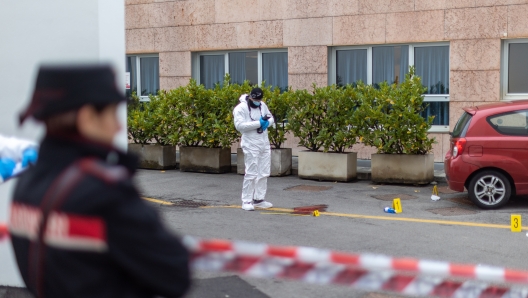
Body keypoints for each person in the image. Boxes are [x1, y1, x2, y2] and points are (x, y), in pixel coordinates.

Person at [9, 65, 191, 298]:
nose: (117, 126)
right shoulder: (105, 192)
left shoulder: (25, 183)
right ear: (87, 118)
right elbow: (174, 274)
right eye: (113, 113)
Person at [233, 88, 275, 211]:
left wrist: (268, 123)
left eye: (259, 100)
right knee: (251, 172)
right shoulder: (240, 108)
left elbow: (270, 117)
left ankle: (259, 199)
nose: (257, 102)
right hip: (250, 144)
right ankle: (246, 200)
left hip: (264, 142)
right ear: (250, 97)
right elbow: (239, 126)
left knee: (264, 171)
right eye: (255, 99)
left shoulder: (262, 105)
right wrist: (259, 123)